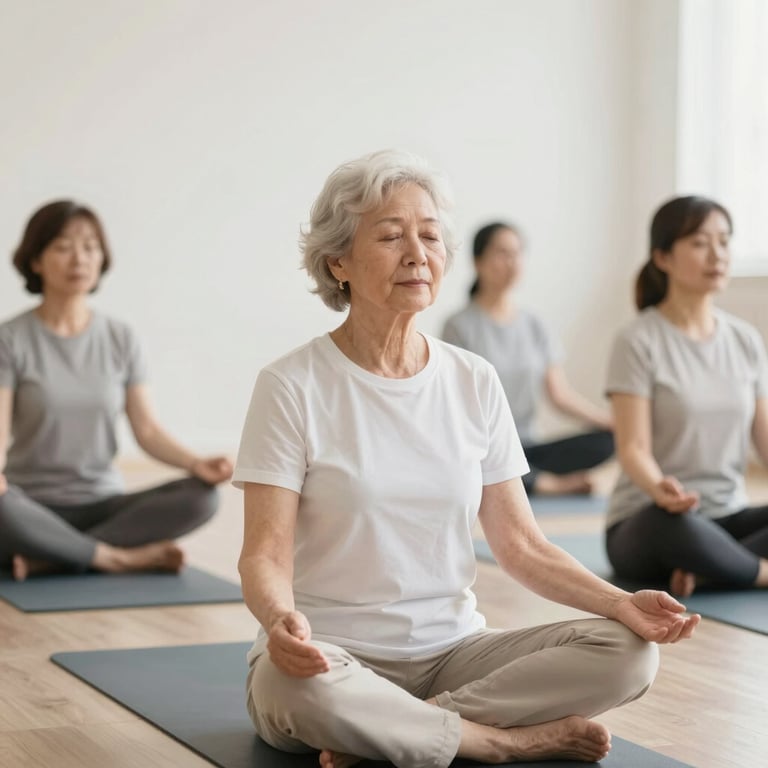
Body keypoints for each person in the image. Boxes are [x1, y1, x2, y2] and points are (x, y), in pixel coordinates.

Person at [234, 150, 699, 768]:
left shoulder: (473, 379)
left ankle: (395, 732)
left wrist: (618, 603)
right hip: (332, 655)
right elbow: (263, 555)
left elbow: (522, 546)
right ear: (337, 261)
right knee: (283, 685)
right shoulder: (291, 384)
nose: (416, 253)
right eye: (391, 236)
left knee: (630, 652)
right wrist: (279, 619)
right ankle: (497, 742)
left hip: (454, 653)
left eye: (429, 235)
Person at [0, 200, 232, 581]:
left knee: (202, 496)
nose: (79, 258)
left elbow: (148, 431)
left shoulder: (120, 337)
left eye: (90, 247)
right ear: (36, 260)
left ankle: (56, 556)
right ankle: (119, 559)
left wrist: (196, 464)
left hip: (103, 503)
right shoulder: (10, 340)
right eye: (62, 246)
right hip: (28, 508)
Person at [605, 195, 768, 597]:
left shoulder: (745, 340)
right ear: (662, 257)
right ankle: (755, 571)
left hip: (727, 515)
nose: (717, 255)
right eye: (699, 243)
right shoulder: (637, 339)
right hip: (655, 520)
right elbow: (633, 448)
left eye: (724, 241)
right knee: (667, 526)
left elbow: (765, 441)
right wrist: (660, 487)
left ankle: (712, 571)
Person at [442, 222, 613, 496]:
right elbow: (457, 405)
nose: (512, 262)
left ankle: (531, 478)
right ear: (478, 261)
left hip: (529, 447)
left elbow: (560, 395)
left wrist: (610, 422)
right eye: (502, 253)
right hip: (486, 446)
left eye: (517, 253)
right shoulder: (459, 325)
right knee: (475, 460)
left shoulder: (534, 324)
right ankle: (548, 484)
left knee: (608, 441)